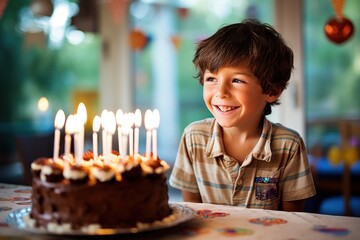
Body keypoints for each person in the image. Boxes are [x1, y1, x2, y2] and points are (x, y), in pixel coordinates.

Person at [169, 19, 316, 212]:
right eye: (211, 78)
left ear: (272, 90)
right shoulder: (193, 138)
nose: (221, 92)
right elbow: (191, 212)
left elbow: (293, 220)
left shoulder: (289, 146)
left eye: (237, 80)